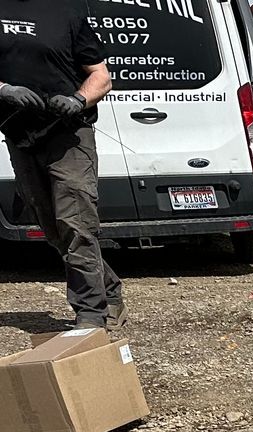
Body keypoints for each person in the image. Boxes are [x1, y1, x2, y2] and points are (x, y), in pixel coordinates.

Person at [0, 2, 121, 327]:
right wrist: (4, 89)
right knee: (53, 228)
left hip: (68, 135)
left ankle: (91, 315)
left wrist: (77, 100)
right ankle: (108, 289)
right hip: (21, 136)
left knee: (75, 222)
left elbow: (100, 76)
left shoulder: (66, 11)